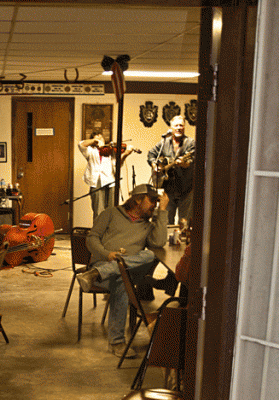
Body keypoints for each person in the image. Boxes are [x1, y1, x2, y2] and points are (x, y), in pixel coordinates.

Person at [76, 184, 169, 357]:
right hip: (104, 265)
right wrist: (107, 254)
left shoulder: (148, 226)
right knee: (121, 282)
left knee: (150, 256)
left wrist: (162, 211)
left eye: (157, 202)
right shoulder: (111, 213)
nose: (155, 204)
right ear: (138, 199)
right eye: (152, 200)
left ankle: (97, 274)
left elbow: (158, 243)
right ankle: (117, 342)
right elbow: (92, 238)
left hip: (117, 272)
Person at [147, 115, 195, 224]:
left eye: (181, 125)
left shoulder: (190, 143)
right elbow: (151, 154)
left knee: (184, 223)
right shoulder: (164, 142)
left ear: (184, 127)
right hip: (169, 190)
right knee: (165, 221)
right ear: (171, 127)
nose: (179, 128)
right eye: (176, 125)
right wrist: (155, 167)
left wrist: (184, 164)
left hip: (186, 190)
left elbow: (192, 161)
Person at [78, 132, 137, 219]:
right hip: (96, 180)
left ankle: (111, 231)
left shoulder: (110, 150)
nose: (99, 138)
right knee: (98, 210)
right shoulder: (90, 151)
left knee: (112, 209)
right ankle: (98, 231)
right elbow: (81, 144)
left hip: (111, 180)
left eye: (101, 137)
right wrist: (94, 141)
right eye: (97, 137)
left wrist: (125, 154)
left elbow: (118, 165)